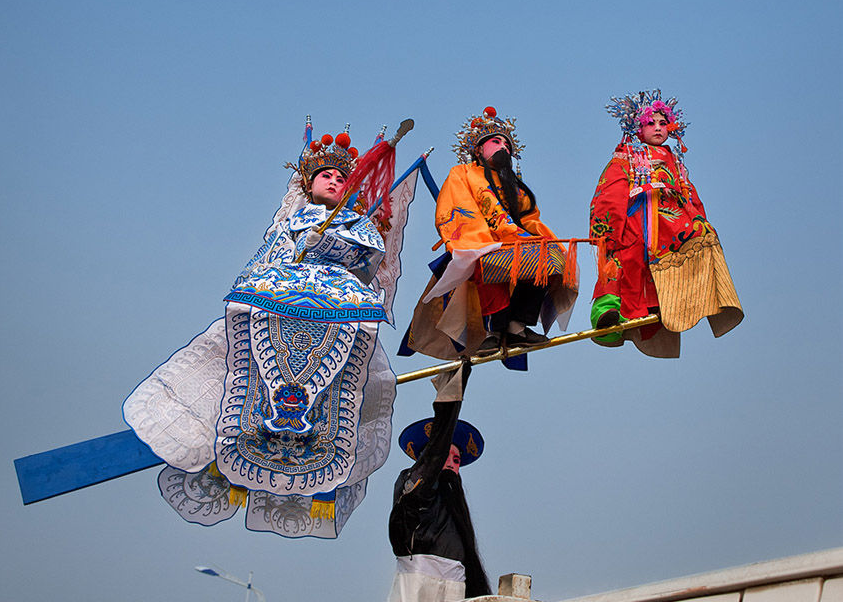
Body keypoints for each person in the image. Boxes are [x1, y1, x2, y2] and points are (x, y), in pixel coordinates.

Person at [123, 124, 410, 538]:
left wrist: (339, 249)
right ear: (309, 185)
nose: (333, 180)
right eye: (325, 175)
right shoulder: (291, 220)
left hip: (340, 316)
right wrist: (300, 247)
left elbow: (369, 268)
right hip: (279, 308)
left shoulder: (359, 224)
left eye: (340, 177)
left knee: (365, 383)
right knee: (226, 363)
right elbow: (267, 263)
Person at [357, 364, 490, 602]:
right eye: (448, 455)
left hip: (452, 591)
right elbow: (434, 455)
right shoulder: (413, 483)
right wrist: (450, 399)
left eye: (458, 459)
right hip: (418, 589)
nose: (452, 462)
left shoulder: (453, 501)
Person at [402, 106, 577, 364]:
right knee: (490, 256)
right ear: (478, 149)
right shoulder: (462, 173)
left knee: (548, 256)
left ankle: (517, 326)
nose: (503, 147)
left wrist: (545, 240)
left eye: (507, 144)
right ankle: (494, 329)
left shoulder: (513, 184)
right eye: (496, 141)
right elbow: (458, 207)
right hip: (480, 238)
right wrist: (495, 235)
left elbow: (530, 218)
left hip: (515, 241)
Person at [589, 91, 743, 357]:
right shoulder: (627, 156)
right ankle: (610, 313)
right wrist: (608, 232)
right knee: (627, 259)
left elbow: (689, 195)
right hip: (639, 222)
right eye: (651, 123)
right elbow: (610, 193)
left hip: (672, 221)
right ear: (638, 128)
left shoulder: (676, 162)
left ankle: (685, 300)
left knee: (703, 238)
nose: (658, 128)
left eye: (663, 123)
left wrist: (700, 220)